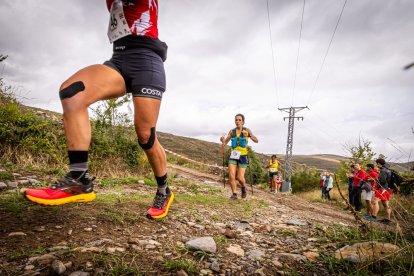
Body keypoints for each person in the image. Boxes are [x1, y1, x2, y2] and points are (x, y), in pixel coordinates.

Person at [24, 0, 174, 219]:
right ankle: (79, 179)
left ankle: (164, 190)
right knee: (71, 94)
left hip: (147, 61)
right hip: (119, 59)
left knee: (145, 136)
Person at [220, 114, 258, 199]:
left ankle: (243, 188)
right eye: (236, 120)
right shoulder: (232, 131)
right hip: (233, 155)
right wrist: (222, 140)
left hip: (243, 156)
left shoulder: (247, 130)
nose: (237, 121)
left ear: (243, 121)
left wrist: (249, 135)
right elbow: (224, 143)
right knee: (231, 176)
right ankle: (234, 194)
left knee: (240, 178)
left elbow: (256, 140)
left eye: (239, 120)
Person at [372, 158, 393, 224]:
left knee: (375, 200)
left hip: (383, 188)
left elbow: (382, 181)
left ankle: (373, 217)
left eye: (376, 163)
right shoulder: (388, 169)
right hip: (388, 189)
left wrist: (376, 179)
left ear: (378, 163)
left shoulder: (383, 170)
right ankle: (388, 219)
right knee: (385, 204)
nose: (376, 164)